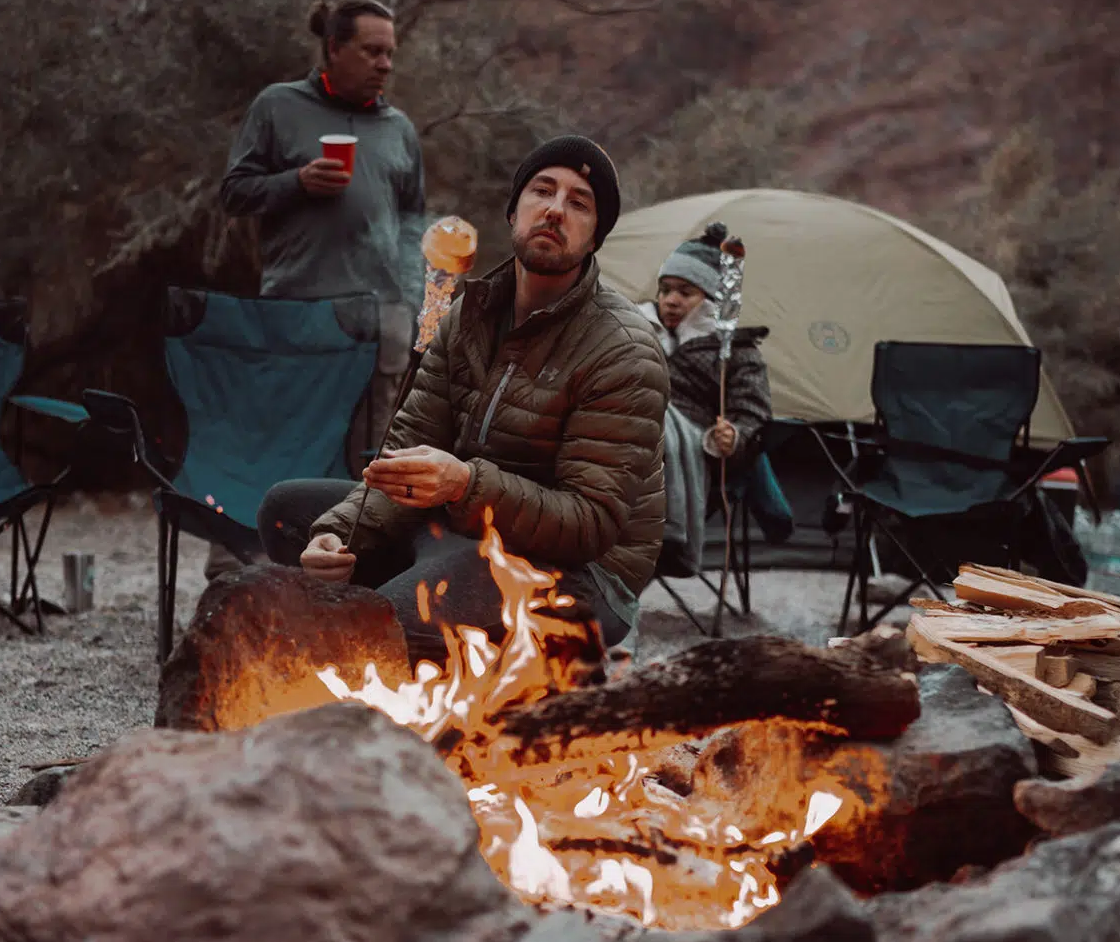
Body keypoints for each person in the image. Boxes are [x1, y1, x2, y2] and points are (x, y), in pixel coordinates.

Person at [258, 135, 670, 664]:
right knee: (287, 515)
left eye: (579, 203)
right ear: (514, 211)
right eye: (542, 191)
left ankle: (494, 682)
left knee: (390, 623)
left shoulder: (622, 350)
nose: (554, 210)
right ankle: (405, 631)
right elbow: (407, 451)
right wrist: (339, 533)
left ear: (594, 239)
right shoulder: (468, 317)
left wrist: (464, 483)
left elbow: (589, 523)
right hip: (466, 530)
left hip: (579, 574)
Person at [221, 0, 426, 458]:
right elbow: (234, 192)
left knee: (369, 467)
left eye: (390, 53)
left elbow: (414, 222)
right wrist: (297, 181)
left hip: (381, 322)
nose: (385, 64)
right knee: (287, 452)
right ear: (334, 48)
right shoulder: (278, 106)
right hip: (299, 313)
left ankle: (354, 535)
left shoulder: (399, 129)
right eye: (372, 51)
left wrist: (412, 303)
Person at [639, 223, 776, 574]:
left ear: (711, 300)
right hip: (622, 434)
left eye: (685, 292)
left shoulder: (737, 352)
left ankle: (661, 537)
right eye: (665, 289)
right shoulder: (635, 330)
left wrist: (734, 436)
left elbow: (752, 411)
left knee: (653, 417)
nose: (670, 300)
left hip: (689, 450)